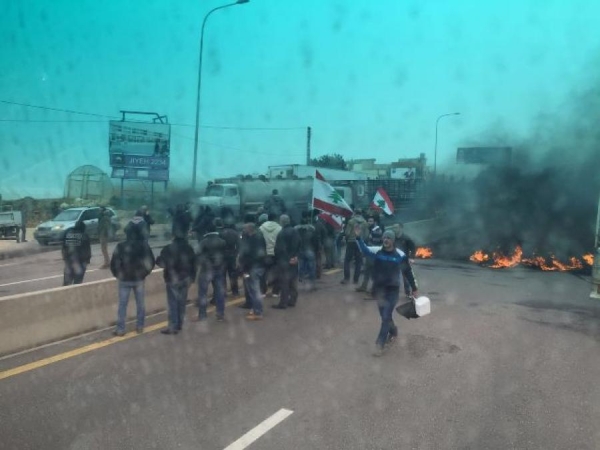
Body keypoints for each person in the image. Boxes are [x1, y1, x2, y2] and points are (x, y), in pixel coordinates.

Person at [356, 227, 418, 357]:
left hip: (392, 290)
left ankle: (379, 345)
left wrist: (414, 288)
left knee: (385, 316)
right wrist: (358, 237)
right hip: (379, 290)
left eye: (388, 238)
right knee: (385, 316)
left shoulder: (400, 255)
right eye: (384, 237)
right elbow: (365, 250)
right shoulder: (377, 251)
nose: (386, 240)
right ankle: (393, 331)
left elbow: (408, 272)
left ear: (393, 240)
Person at [110, 224, 156, 336]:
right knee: (140, 304)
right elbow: (151, 262)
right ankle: (140, 326)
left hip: (124, 279)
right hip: (139, 279)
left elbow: (114, 263)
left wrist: (118, 275)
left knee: (122, 305)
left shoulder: (120, 246)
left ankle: (121, 329)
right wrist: (144, 274)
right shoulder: (144, 246)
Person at [156, 236, 197, 335]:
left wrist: (159, 260)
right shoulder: (189, 248)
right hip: (186, 278)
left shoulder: (167, 249)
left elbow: (161, 263)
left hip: (172, 279)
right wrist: (192, 277)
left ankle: (172, 326)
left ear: (173, 238)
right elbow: (194, 264)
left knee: (172, 303)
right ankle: (179, 324)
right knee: (182, 302)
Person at [195, 220, 227, 321]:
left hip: (206, 270)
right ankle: (220, 314)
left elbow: (197, 254)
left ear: (206, 231)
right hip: (219, 269)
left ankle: (202, 315)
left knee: (203, 293)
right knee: (219, 292)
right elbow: (225, 255)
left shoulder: (203, 242)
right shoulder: (222, 241)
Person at [237, 222, 267, 320]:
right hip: (260, 266)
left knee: (254, 290)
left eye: (245, 229)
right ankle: (255, 309)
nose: (243, 231)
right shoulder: (260, 237)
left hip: (252, 268)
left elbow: (248, 255)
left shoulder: (251, 240)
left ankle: (258, 312)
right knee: (254, 289)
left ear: (249, 229)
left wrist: (244, 269)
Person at [272, 214, 301, 310]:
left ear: (281, 222)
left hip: (284, 261)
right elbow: (299, 244)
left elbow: (280, 249)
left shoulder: (282, 233)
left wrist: (280, 259)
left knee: (284, 282)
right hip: (294, 260)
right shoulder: (295, 231)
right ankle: (293, 300)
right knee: (293, 281)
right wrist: (295, 256)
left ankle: (283, 303)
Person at [356, 215, 384, 294]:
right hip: (370, 252)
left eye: (371, 221)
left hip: (374, 253)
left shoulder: (377, 230)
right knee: (367, 270)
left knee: (373, 272)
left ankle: (374, 288)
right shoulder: (371, 229)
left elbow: (375, 243)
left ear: (375, 222)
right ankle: (364, 286)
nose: (369, 223)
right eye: (368, 221)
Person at [340, 208, 369, 284]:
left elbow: (347, 233)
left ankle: (346, 278)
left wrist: (347, 238)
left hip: (351, 242)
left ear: (355, 213)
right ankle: (356, 279)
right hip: (359, 242)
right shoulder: (365, 222)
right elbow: (366, 235)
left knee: (347, 260)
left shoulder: (351, 221)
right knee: (358, 261)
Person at [258, 212, 282, 296]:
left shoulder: (261, 228)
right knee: (277, 273)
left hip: (264, 254)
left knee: (262, 273)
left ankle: (262, 291)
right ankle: (275, 291)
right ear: (276, 218)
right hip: (276, 254)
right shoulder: (279, 228)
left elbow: (259, 241)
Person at [62, 220, 91, 286]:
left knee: (67, 280)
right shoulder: (84, 235)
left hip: (69, 259)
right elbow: (87, 249)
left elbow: (64, 246)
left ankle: (65, 291)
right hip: (80, 260)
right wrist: (87, 260)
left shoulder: (68, 233)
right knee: (78, 281)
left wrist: (65, 257)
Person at [216, 217, 240, 296]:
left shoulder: (221, 233)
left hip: (223, 256)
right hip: (232, 255)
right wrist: (236, 254)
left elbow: (218, 245)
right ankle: (235, 291)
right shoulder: (235, 233)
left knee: (222, 275)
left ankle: (223, 292)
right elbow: (239, 245)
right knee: (233, 274)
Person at [295, 212, 319, 290]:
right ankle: (312, 284)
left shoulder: (296, 230)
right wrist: (317, 250)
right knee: (312, 268)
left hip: (300, 250)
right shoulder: (311, 229)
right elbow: (315, 241)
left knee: (301, 267)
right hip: (310, 250)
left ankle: (302, 282)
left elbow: (295, 241)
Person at [395, 222, 417, 298]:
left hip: (404, 261)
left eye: (396, 227)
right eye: (394, 228)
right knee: (394, 277)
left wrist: (412, 257)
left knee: (406, 277)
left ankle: (408, 293)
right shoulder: (393, 238)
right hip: (395, 260)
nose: (395, 229)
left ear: (401, 228)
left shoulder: (406, 238)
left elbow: (413, 248)